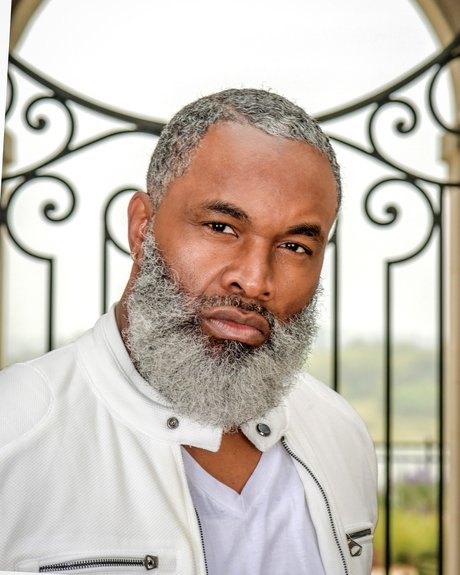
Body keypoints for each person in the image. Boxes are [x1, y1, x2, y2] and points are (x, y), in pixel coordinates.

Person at [0, 89, 377, 575]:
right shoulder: (13, 432)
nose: (255, 280)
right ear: (142, 227)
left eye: (294, 246)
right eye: (221, 227)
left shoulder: (340, 434)